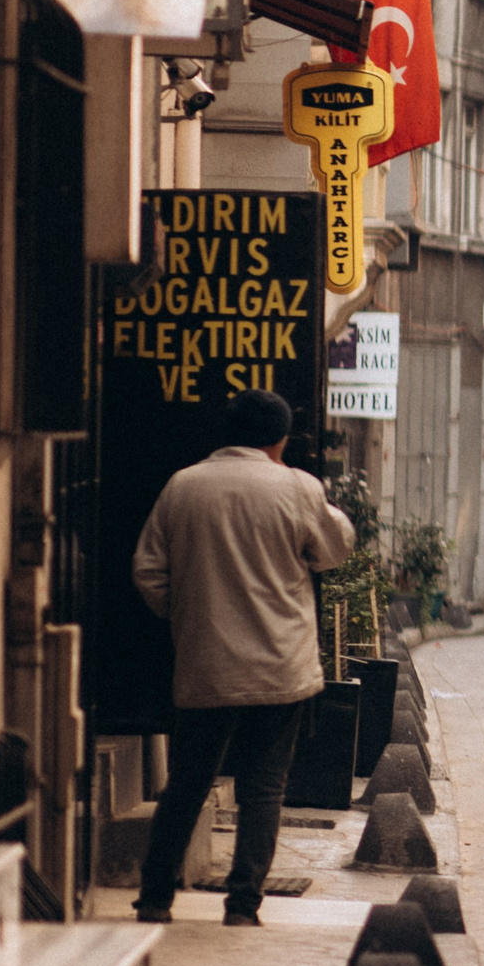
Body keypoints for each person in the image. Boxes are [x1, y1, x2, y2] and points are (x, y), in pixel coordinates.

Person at [131, 388, 355, 927]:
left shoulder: (182, 486)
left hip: (206, 663)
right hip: (281, 668)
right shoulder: (298, 488)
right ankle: (242, 904)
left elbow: (148, 572)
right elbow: (335, 549)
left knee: (187, 782)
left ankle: (156, 898)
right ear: (279, 439)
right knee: (264, 788)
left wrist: (188, 615)